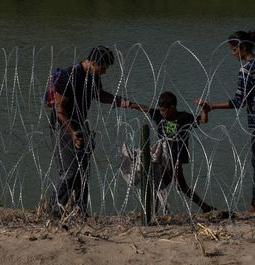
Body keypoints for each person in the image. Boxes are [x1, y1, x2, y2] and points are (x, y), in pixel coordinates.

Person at [197, 31, 255, 212]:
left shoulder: (245, 70)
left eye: (234, 48)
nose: (232, 53)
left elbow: (239, 101)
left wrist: (210, 106)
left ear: (243, 47)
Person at [51, 46, 132, 217]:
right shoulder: (69, 77)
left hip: (81, 125)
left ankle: (80, 210)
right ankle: (55, 210)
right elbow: (59, 109)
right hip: (64, 127)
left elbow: (99, 94)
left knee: (83, 171)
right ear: (94, 62)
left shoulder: (92, 76)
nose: (105, 71)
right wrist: (73, 133)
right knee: (70, 171)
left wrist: (121, 102)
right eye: (104, 67)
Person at [131, 91, 222, 214]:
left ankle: (153, 213)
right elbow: (144, 109)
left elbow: (202, 120)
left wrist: (205, 110)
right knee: (161, 185)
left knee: (174, 186)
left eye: (164, 110)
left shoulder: (184, 118)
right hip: (162, 158)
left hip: (175, 159)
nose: (162, 113)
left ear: (172, 108)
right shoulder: (159, 115)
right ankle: (154, 213)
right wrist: (128, 103)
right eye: (161, 110)